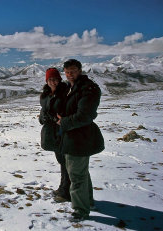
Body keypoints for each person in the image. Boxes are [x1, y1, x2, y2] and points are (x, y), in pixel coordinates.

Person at [56, 59, 104, 222]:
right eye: (67, 72)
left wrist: (64, 122)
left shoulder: (87, 88)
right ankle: (88, 202)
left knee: (76, 175)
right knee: (81, 172)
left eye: (73, 71)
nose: (70, 74)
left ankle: (80, 210)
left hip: (80, 138)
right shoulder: (73, 87)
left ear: (80, 70)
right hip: (73, 137)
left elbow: (85, 115)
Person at [39, 68, 70, 202]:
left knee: (65, 160)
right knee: (61, 159)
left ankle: (66, 191)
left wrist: (53, 118)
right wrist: (42, 118)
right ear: (47, 81)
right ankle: (63, 187)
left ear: (59, 79)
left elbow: (63, 111)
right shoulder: (46, 94)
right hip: (51, 132)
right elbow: (44, 110)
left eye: (55, 79)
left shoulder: (64, 93)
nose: (53, 82)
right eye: (50, 79)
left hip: (61, 130)